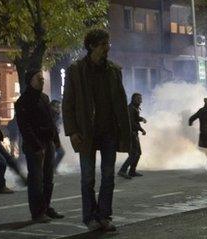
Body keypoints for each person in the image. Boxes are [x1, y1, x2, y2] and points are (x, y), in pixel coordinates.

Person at [63, 28, 131, 232]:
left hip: (109, 131)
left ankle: (104, 216)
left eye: (108, 44)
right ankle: (90, 217)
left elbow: (121, 103)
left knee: (108, 176)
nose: (107, 48)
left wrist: (125, 135)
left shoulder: (113, 70)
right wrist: (72, 131)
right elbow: (68, 104)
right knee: (88, 178)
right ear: (92, 45)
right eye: (103, 44)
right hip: (86, 132)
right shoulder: (76, 70)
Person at [15, 70, 64, 223]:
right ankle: (37, 212)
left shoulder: (44, 97)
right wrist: (37, 147)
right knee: (36, 179)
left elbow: (50, 121)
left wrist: (56, 141)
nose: (42, 81)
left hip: (47, 143)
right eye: (39, 79)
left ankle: (46, 207)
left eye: (43, 79)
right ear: (30, 80)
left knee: (48, 178)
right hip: (34, 145)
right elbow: (25, 127)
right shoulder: (23, 101)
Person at [118, 93, 146, 179]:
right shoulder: (130, 108)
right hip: (131, 134)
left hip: (133, 133)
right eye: (138, 99)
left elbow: (135, 118)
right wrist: (142, 129)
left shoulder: (134, 108)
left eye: (140, 98)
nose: (140, 100)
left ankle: (132, 171)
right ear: (133, 99)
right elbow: (132, 123)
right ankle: (122, 171)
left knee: (138, 153)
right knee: (134, 153)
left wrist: (141, 119)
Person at [49, 100, 65, 172]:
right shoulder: (50, 114)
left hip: (54, 138)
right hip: (49, 138)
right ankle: (51, 169)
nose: (58, 109)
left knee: (60, 152)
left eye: (59, 107)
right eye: (57, 107)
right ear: (52, 107)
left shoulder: (57, 115)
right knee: (52, 154)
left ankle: (52, 168)